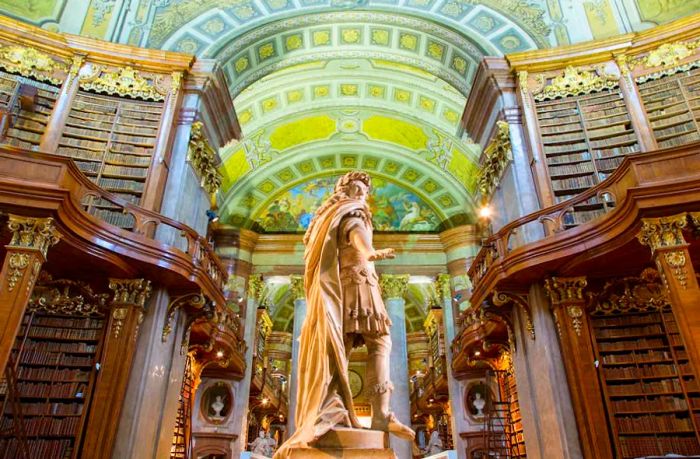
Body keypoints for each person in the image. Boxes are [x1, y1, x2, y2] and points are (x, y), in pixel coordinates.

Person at [274, 171, 414, 458]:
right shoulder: (351, 211)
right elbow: (355, 231)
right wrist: (371, 251)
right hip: (357, 283)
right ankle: (380, 413)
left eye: (364, 191)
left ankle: (338, 405)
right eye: (358, 189)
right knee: (377, 342)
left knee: (344, 346)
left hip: (349, 285)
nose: (363, 195)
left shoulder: (329, 217)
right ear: (347, 190)